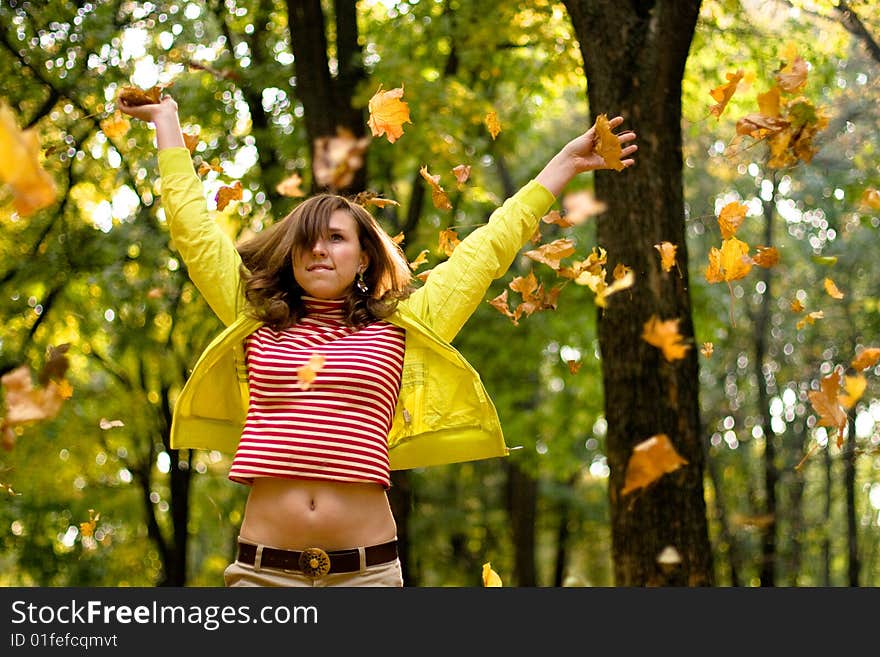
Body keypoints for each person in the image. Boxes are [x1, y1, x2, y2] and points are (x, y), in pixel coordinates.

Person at [119, 94, 637, 587]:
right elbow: (193, 231)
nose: (319, 250)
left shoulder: (404, 324)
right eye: (308, 239)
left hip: (368, 576)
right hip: (262, 574)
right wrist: (168, 124)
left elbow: (488, 249)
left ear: (364, 257)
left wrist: (561, 167)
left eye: (337, 238)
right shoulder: (253, 317)